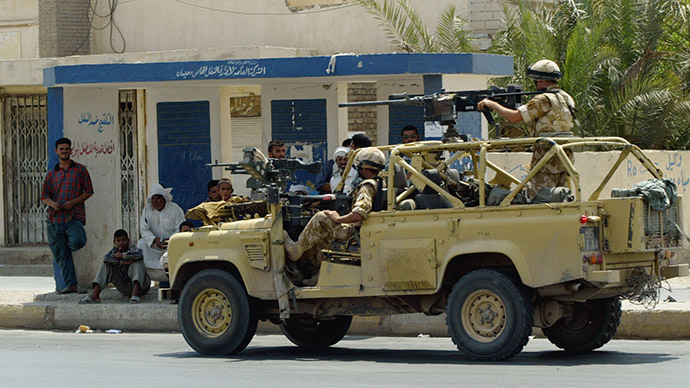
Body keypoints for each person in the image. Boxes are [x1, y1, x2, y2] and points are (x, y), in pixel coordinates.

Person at [477, 59, 575, 198]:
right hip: (564, 157)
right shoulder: (566, 98)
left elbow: (514, 117)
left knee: (538, 199)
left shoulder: (543, 99)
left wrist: (491, 104)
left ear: (539, 81)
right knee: (560, 197)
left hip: (545, 159)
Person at [283, 147, 386, 273]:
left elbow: (359, 214)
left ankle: (296, 250)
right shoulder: (380, 182)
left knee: (321, 217)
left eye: (358, 166)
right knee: (324, 234)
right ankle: (320, 272)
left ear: (364, 167)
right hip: (361, 229)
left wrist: (337, 218)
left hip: (354, 232)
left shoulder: (367, 187)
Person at [41, 137, 94, 294]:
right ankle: (71, 285)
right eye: (61, 149)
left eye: (67, 149)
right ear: (56, 151)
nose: (64, 151)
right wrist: (52, 204)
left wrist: (73, 202)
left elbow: (89, 191)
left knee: (78, 241)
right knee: (62, 257)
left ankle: (66, 246)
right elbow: (44, 196)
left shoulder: (80, 170)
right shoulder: (51, 174)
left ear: (71, 150)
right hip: (54, 220)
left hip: (73, 216)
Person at [78, 229, 150, 304]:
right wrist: (123, 262)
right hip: (125, 287)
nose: (121, 243)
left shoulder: (133, 249)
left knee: (137, 262)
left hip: (142, 288)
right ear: (114, 242)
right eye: (118, 240)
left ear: (128, 241)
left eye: (123, 240)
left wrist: (123, 255)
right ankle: (95, 296)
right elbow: (106, 259)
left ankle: (135, 294)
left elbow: (139, 255)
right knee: (107, 264)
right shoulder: (113, 251)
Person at [137, 183, 186, 282]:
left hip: (171, 245)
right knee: (141, 244)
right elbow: (144, 229)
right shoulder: (147, 210)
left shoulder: (175, 209)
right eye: (153, 198)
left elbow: (180, 228)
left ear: (163, 198)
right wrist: (155, 240)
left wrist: (170, 240)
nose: (156, 201)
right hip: (154, 245)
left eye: (158, 198)